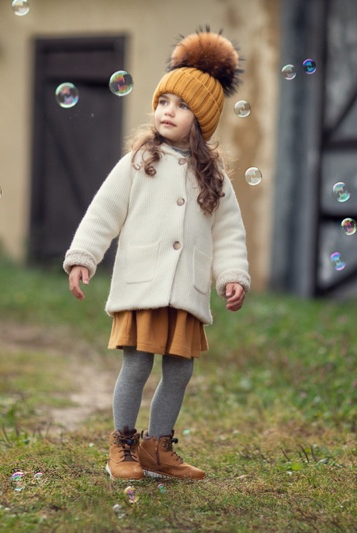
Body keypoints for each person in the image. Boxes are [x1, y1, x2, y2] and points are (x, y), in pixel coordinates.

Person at [63, 28, 251, 481]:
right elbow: (105, 211)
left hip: (184, 289)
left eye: (183, 106)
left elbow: (229, 232)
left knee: (180, 369)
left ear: (202, 120)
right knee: (137, 362)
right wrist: (84, 255)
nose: (169, 111)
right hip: (143, 282)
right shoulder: (140, 160)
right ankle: (123, 442)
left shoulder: (215, 177)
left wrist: (233, 275)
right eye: (165, 101)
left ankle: (157, 447)